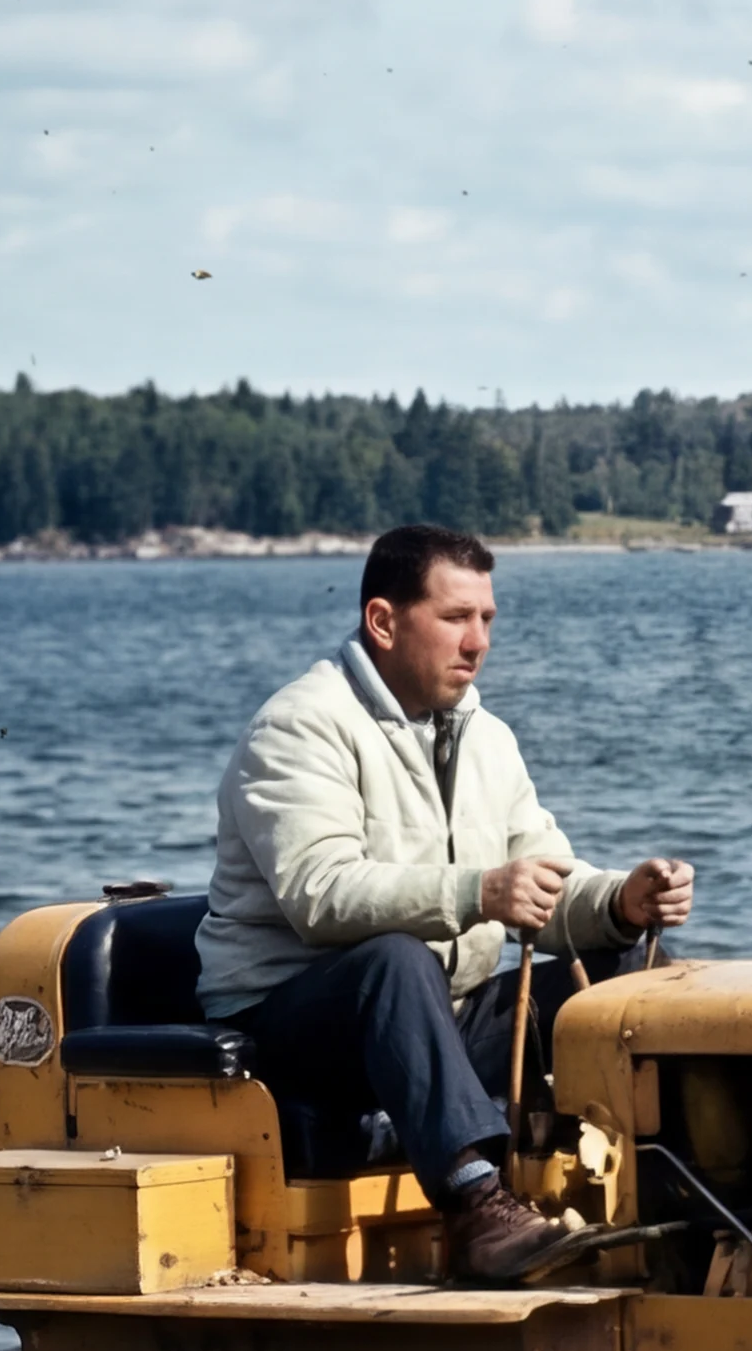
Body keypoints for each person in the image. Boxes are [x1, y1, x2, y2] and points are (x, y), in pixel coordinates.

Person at [194, 523, 697, 1281]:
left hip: (431, 1017)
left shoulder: (486, 738)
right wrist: (479, 891)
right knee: (395, 963)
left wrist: (621, 900)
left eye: (487, 619)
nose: (479, 641)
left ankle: (686, 1194)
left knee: (624, 970)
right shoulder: (299, 727)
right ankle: (479, 1211)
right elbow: (319, 894)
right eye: (456, 618)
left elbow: (545, 880)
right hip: (291, 1028)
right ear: (384, 622)